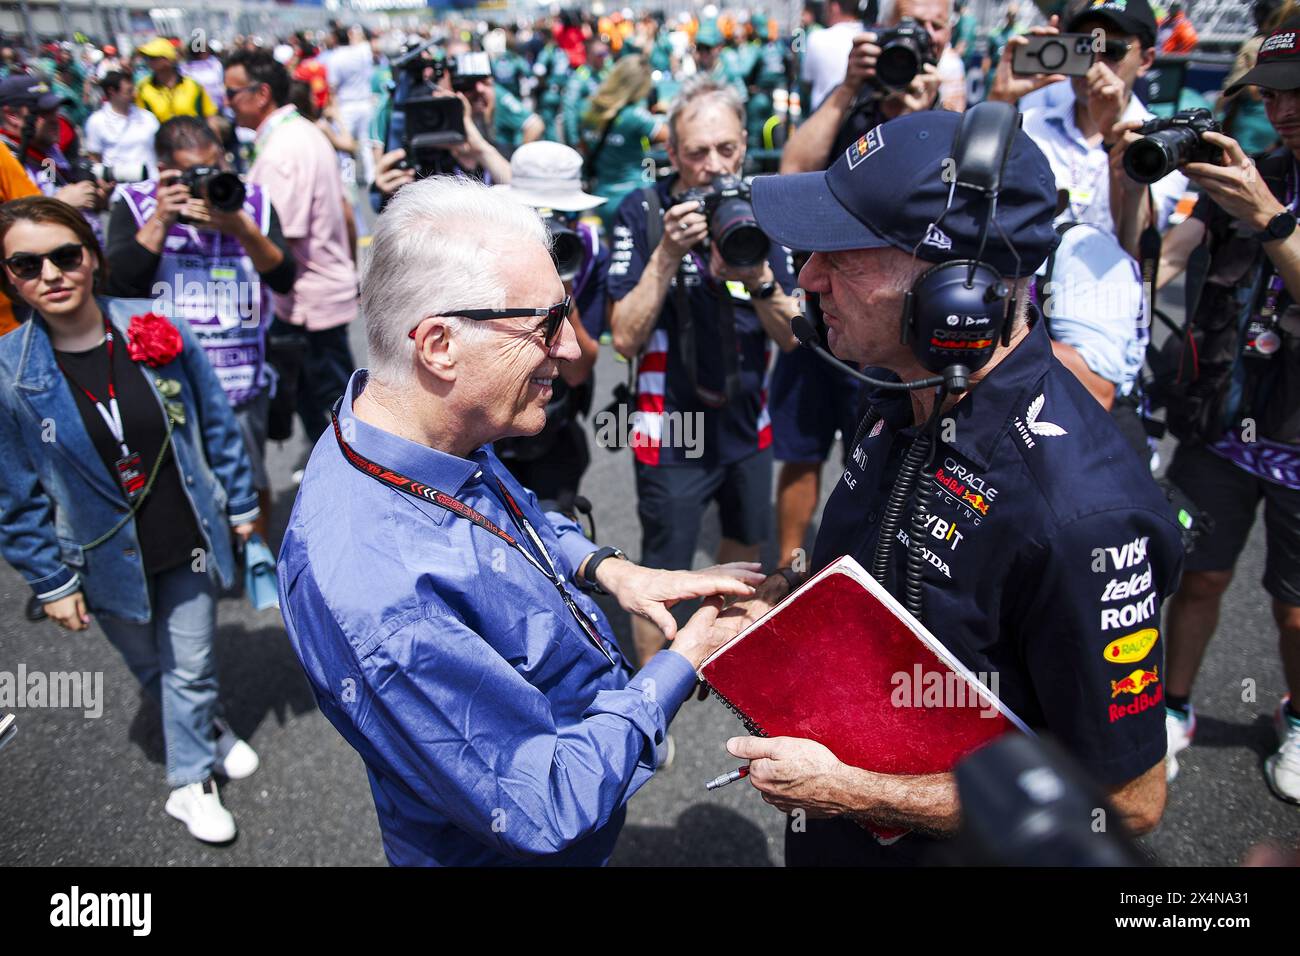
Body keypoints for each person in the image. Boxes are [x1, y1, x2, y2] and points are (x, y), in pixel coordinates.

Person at [724, 107, 1183, 865]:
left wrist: (859, 793)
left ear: (954, 296)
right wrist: (779, 604)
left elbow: (1128, 803)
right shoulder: (905, 389)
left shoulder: (1082, 515)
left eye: (843, 255)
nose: (806, 275)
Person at [276, 175, 764, 866]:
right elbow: (546, 802)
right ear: (439, 345)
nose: (570, 349)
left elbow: (513, 517)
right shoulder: (379, 594)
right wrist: (682, 663)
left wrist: (611, 570)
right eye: (544, 322)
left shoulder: (415, 427)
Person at [0, 197, 261, 844]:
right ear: (9, 278)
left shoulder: (154, 325)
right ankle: (203, 723)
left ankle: (189, 782)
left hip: (185, 534)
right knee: (151, 664)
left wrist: (244, 501)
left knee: (191, 663)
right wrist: (52, 584)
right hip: (100, 556)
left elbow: (217, 424)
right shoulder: (8, 376)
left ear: (91, 257)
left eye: (65, 255)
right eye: (26, 265)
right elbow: (14, 498)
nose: (51, 274)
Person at [1119, 16, 1300, 800]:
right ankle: (1174, 705)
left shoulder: (1262, 193)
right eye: (1273, 95)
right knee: (1196, 576)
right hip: (1221, 422)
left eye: (1297, 94)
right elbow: (1160, 260)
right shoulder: (1248, 172)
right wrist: (1131, 178)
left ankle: (1294, 721)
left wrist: (1272, 220)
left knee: (1293, 609)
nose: (1283, 110)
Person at [607, 76, 800, 668]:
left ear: (744, 143)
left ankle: (727, 665)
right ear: (671, 153)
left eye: (725, 149)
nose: (713, 166)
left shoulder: (764, 208)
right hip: (669, 426)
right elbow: (623, 337)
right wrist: (666, 256)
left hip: (747, 420)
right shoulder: (641, 211)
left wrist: (756, 274)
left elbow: (794, 337)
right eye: (696, 152)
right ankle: (647, 704)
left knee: (744, 553)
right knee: (662, 569)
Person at [104, 117, 297, 542]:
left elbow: (284, 277)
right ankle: (196, 560)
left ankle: (256, 556)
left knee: (250, 474)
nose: (208, 183)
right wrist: (162, 219)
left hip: (239, 379)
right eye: (194, 174)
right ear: (163, 171)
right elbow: (117, 285)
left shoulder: (250, 202)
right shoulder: (135, 205)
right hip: (163, 382)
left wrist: (241, 227)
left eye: (215, 166)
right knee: (175, 478)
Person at [224, 49, 359, 446]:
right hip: (318, 291)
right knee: (333, 403)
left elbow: (280, 236)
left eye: (232, 93)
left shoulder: (283, 147)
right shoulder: (300, 132)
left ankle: (346, 480)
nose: (226, 102)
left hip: (307, 298)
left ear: (261, 93)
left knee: (330, 410)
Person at [990, 0, 1188, 242]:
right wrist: (998, 100)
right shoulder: (1030, 124)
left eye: (1112, 51)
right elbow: (966, 195)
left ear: (1146, 60)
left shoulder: (1163, 144)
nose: (1094, 63)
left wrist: (1113, 138)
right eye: (1083, 48)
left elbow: (1136, 246)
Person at [492, 141, 608, 515]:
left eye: (562, 216)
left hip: (554, 421)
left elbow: (578, 371)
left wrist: (562, 294)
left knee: (553, 534)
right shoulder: (487, 249)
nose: (552, 231)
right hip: (489, 423)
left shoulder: (587, 253)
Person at [779, 0, 951, 175]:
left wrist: (917, 121)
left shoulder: (948, 123)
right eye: (915, 25)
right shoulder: (855, 98)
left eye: (937, 26)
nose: (927, 35)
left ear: (948, 35)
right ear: (884, 28)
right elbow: (793, 170)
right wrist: (847, 88)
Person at [580, 54, 669, 234]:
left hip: (602, 196)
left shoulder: (587, 109)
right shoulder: (634, 115)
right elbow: (670, 137)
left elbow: (585, 147)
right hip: (636, 195)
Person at [133, 37, 219, 138]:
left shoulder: (192, 85)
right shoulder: (143, 88)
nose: (148, 61)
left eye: (153, 58)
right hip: (164, 147)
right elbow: (141, 123)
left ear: (168, 59)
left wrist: (217, 144)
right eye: (146, 57)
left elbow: (210, 116)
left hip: (195, 143)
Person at [325, 25, 376, 187]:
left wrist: (333, 109)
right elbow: (366, 41)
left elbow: (332, 87)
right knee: (365, 143)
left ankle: (347, 180)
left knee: (344, 147)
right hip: (365, 103)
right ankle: (370, 177)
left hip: (345, 106)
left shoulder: (335, 57)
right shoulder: (362, 52)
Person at [82, 72, 160, 178]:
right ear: (112, 91)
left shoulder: (148, 117)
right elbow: (95, 158)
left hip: (151, 185)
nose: (135, 94)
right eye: (129, 91)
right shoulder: (96, 121)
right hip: (119, 189)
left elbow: (160, 149)